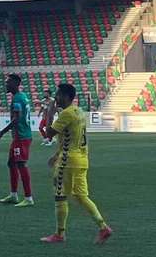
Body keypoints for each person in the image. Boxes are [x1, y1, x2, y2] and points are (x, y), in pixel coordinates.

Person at [40, 83, 112, 245]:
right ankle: (103, 227)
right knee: (81, 196)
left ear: (65, 97)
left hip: (68, 162)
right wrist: (56, 154)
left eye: (58, 95)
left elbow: (49, 133)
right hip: (81, 160)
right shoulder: (78, 112)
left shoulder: (66, 114)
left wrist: (50, 112)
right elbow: (70, 138)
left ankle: (60, 234)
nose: (56, 98)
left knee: (60, 196)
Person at [0, 74, 34, 207]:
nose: (6, 84)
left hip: (21, 137)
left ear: (16, 83)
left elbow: (16, 119)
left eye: (8, 82)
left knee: (21, 164)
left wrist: (1, 133)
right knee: (11, 163)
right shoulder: (22, 96)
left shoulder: (17, 99)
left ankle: (28, 197)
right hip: (19, 137)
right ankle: (14, 195)